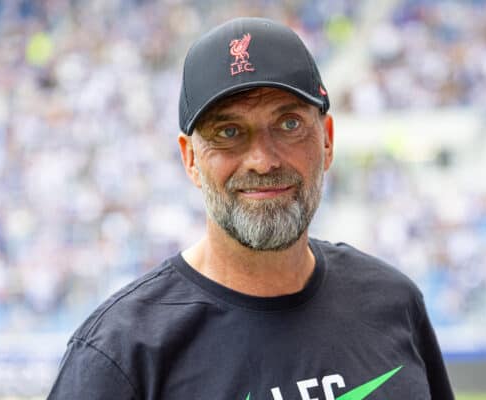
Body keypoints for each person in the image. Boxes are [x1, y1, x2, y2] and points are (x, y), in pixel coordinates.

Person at [48, 17, 454, 399]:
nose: (263, 160)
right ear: (190, 159)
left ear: (327, 140)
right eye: (229, 132)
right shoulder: (119, 354)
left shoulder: (393, 302)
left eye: (289, 124)